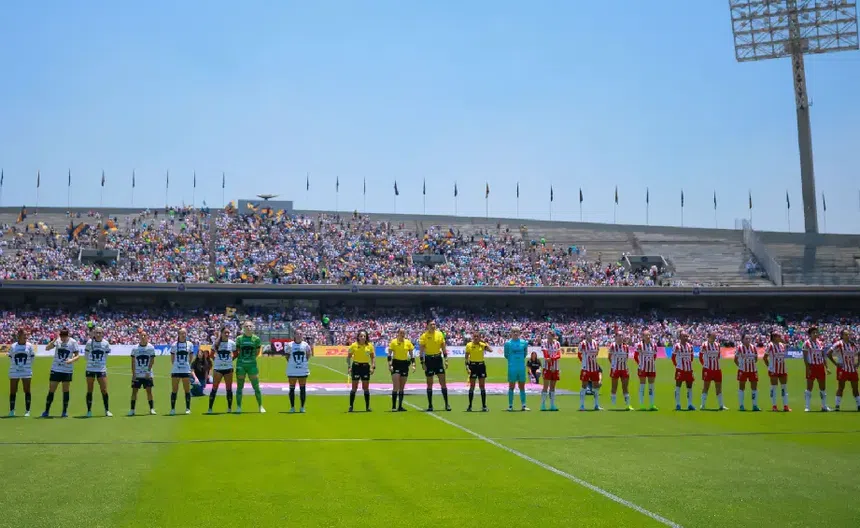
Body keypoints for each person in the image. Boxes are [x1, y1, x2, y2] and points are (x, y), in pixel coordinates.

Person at [72, 326, 112, 417]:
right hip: (90, 369)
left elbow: (106, 356)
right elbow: (86, 356)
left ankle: (107, 410)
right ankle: (89, 411)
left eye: (100, 333)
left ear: (102, 334)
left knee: (104, 389)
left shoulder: (106, 343)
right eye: (96, 332)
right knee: (90, 389)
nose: (98, 334)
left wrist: (100, 363)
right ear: (94, 333)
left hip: (101, 369)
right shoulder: (89, 342)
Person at [42, 327, 78, 418]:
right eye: (61, 337)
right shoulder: (57, 341)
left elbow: (77, 356)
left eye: (64, 337)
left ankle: (64, 411)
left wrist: (71, 360)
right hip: (56, 369)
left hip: (67, 370)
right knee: (51, 390)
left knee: (65, 390)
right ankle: (46, 411)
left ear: (68, 336)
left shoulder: (73, 342)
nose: (63, 339)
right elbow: (47, 348)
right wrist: (54, 340)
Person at [235, 321, 265, 414]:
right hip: (241, 365)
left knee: (256, 386)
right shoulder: (239, 339)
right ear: (243, 328)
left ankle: (260, 406)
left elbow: (257, 352)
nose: (248, 327)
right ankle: (238, 407)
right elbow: (238, 351)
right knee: (239, 387)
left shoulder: (256, 339)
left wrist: (250, 359)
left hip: (252, 365)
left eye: (250, 326)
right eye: (246, 326)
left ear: (253, 328)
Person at [419, 320, 449, 412]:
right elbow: (421, 351)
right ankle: (430, 405)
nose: (433, 326)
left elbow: (443, 347)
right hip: (429, 360)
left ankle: (447, 404)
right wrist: (422, 362)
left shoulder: (439, 334)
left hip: (438, 359)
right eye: (431, 324)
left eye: (434, 324)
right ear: (427, 326)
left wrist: (446, 359)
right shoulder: (424, 336)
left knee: (443, 382)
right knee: (429, 383)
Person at [827, 329, 859, 411]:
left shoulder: (853, 344)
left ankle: (859, 405)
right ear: (842, 336)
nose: (848, 336)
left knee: (855, 388)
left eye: (849, 334)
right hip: (842, 369)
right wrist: (835, 363)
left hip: (852, 369)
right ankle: (837, 406)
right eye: (846, 334)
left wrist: (858, 363)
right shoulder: (838, 344)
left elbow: (859, 353)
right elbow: (828, 353)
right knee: (841, 387)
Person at [7, 328, 35, 417]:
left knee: (27, 390)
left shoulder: (29, 346)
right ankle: (12, 410)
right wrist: (16, 366)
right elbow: (10, 357)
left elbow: (32, 358)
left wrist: (26, 366)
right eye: (24, 335)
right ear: (19, 335)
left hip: (26, 371)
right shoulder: (13, 346)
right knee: (13, 390)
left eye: (26, 335)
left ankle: (27, 411)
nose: (26, 336)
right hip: (14, 371)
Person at [801, 326, 830, 412]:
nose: (815, 334)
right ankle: (807, 406)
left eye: (816, 332)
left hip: (820, 366)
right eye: (813, 333)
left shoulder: (820, 343)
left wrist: (827, 367)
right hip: (811, 366)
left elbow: (823, 356)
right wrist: (808, 368)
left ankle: (824, 406)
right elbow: (805, 357)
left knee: (823, 388)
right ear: (810, 334)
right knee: (809, 387)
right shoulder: (806, 343)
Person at [387, 328, 416, 412]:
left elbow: (412, 355)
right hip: (396, 364)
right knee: (396, 386)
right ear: (398, 333)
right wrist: (390, 365)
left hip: (404, 364)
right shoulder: (393, 342)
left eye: (403, 333)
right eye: (401, 333)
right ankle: (393, 406)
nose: (402, 334)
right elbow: (389, 355)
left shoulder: (408, 342)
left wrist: (413, 364)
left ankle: (400, 406)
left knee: (402, 387)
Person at [208, 327, 236, 414]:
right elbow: (211, 354)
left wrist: (231, 359)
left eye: (228, 333)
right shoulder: (216, 343)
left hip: (228, 368)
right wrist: (217, 360)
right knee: (214, 387)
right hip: (218, 369)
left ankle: (229, 408)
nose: (227, 334)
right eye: (225, 333)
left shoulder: (232, 343)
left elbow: (236, 353)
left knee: (229, 388)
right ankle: (210, 408)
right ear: (221, 333)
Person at [129, 331, 157, 416]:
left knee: (149, 391)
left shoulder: (151, 347)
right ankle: (132, 410)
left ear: (147, 336)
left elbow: (152, 361)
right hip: (137, 374)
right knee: (134, 392)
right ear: (139, 337)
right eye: (141, 335)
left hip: (147, 374)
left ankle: (152, 409)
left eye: (145, 335)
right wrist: (133, 374)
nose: (143, 337)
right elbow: (133, 362)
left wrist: (148, 371)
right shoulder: (135, 348)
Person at [347, 330, 375, 412]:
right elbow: (348, 357)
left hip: (365, 367)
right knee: (354, 387)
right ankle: (351, 406)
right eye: (361, 336)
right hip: (356, 367)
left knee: (365, 387)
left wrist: (373, 367)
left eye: (364, 336)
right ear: (358, 337)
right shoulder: (353, 345)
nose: (363, 337)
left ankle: (367, 407)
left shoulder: (369, 346)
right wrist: (349, 366)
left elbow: (372, 357)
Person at [169, 328, 195, 415]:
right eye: (182, 333)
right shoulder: (174, 345)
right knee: (174, 389)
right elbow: (172, 358)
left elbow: (191, 356)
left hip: (186, 370)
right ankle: (173, 409)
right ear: (178, 334)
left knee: (187, 389)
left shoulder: (190, 344)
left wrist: (187, 364)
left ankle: (188, 408)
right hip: (176, 370)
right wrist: (176, 365)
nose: (183, 335)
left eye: (185, 333)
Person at [503, 327, 530, 412]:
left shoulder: (524, 343)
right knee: (511, 386)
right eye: (514, 331)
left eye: (517, 332)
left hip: (521, 367)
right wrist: (512, 361)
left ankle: (523, 405)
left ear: (519, 333)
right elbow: (506, 355)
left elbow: (525, 354)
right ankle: (510, 406)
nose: (515, 333)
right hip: (512, 368)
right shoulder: (507, 343)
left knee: (522, 386)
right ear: (511, 333)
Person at [699, 332, 727, 411]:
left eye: (715, 336)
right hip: (708, 369)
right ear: (709, 336)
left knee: (719, 387)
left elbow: (718, 356)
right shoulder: (704, 345)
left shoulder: (717, 345)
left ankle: (721, 405)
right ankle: (703, 405)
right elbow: (700, 357)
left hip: (717, 369)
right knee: (706, 387)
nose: (715, 337)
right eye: (713, 336)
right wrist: (705, 365)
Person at [464, 330, 491, 412]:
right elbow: (466, 357)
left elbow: (490, 350)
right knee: (472, 386)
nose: (476, 338)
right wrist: (467, 367)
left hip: (481, 366)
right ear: (473, 337)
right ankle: (470, 406)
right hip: (473, 366)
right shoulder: (469, 345)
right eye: (474, 336)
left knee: (482, 386)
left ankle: (484, 406)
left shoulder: (482, 345)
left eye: (477, 336)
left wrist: (484, 342)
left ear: (480, 337)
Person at [286, 329, 312, 413]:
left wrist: (303, 363)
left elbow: (308, 355)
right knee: (292, 389)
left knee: (302, 389)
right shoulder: (290, 345)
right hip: (292, 370)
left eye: (301, 334)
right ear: (294, 335)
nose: (299, 335)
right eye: (297, 334)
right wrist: (293, 363)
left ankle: (302, 407)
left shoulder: (306, 345)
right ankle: (292, 407)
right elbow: (287, 356)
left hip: (302, 370)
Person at [764, 332, 790, 412]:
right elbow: (765, 358)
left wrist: (783, 341)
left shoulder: (782, 345)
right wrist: (769, 366)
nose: (780, 337)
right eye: (778, 336)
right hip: (773, 370)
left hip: (782, 369)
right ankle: (774, 406)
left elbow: (787, 344)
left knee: (784, 387)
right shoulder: (770, 345)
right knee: (774, 388)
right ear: (774, 337)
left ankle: (785, 406)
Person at [734, 333, 761, 412]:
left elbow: (756, 358)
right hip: (743, 371)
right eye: (746, 339)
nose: (748, 340)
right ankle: (741, 405)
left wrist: (751, 363)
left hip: (753, 370)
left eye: (749, 338)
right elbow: (735, 359)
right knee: (742, 387)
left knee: (754, 388)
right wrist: (740, 366)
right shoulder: (739, 348)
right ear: (742, 340)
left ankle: (755, 405)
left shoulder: (753, 347)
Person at [634, 330, 658, 410]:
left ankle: (652, 404)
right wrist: (640, 364)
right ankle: (641, 404)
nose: (648, 337)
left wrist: (651, 362)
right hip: (642, 368)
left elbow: (655, 356)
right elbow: (635, 356)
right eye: (646, 335)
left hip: (651, 368)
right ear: (643, 337)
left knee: (651, 386)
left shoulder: (654, 345)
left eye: (649, 335)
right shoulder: (639, 345)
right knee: (642, 386)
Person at [608, 332, 632, 411]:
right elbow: (609, 357)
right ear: (616, 337)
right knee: (614, 386)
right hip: (615, 369)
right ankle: (613, 404)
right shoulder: (612, 346)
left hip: (624, 369)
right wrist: (613, 365)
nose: (620, 337)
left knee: (625, 387)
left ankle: (628, 404)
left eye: (622, 335)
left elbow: (627, 357)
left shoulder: (626, 347)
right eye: (619, 335)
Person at [672, 331, 696, 411]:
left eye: (687, 336)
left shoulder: (690, 346)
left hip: (689, 369)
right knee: (678, 386)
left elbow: (691, 357)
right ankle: (678, 404)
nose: (686, 338)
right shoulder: (677, 346)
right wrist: (677, 366)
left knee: (689, 387)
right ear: (680, 337)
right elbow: (673, 357)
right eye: (684, 336)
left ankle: (690, 404)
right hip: (680, 370)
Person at [578, 331, 601, 411]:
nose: (590, 334)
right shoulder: (582, 344)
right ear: (586, 334)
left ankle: (596, 405)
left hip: (594, 368)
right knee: (584, 386)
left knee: (596, 387)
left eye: (591, 333)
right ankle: (581, 405)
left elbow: (597, 352)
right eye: (588, 333)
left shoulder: (595, 343)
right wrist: (584, 362)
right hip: (585, 368)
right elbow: (579, 354)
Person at [540, 331, 561, 411]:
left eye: (550, 336)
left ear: (553, 337)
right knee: (545, 386)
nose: (548, 338)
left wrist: (552, 359)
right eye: (548, 336)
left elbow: (559, 355)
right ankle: (543, 404)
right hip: (547, 367)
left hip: (555, 367)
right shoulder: (544, 342)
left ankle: (552, 404)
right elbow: (546, 355)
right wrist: (551, 364)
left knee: (553, 387)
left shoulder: (557, 343)